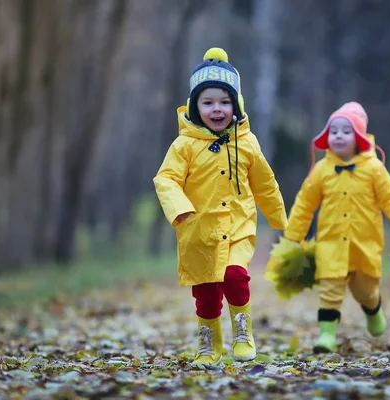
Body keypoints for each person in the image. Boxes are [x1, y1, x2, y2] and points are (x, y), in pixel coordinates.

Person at [153, 47, 288, 365]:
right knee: (207, 292)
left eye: (225, 102)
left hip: (237, 224)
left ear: (236, 105)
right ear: (195, 106)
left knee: (235, 276)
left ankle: (243, 332)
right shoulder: (184, 145)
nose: (217, 109)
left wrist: (281, 220)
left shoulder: (247, 142)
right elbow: (166, 179)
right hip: (198, 229)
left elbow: (265, 184)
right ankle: (208, 344)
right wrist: (179, 208)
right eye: (208, 102)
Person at [282, 102, 390, 353]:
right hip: (331, 243)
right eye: (333, 130)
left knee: (364, 290)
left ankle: (373, 309)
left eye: (346, 131)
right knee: (330, 290)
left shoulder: (374, 169)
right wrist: (294, 233)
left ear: (358, 138)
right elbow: (304, 203)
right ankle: (326, 336)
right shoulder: (322, 170)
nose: (338, 135)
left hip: (364, 245)